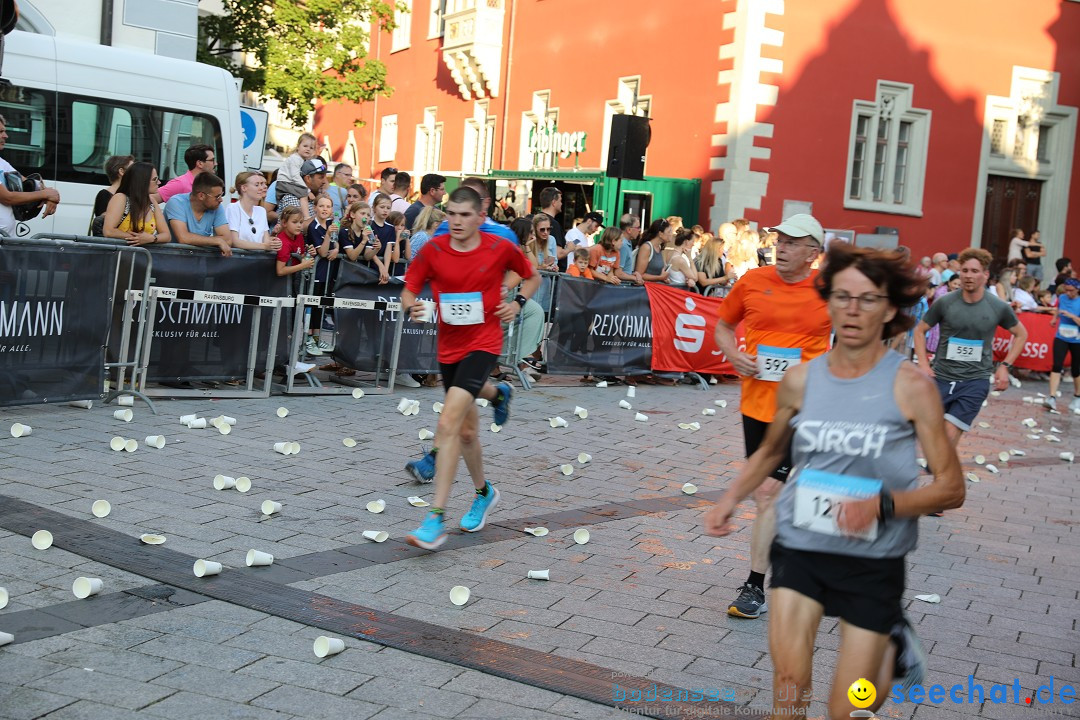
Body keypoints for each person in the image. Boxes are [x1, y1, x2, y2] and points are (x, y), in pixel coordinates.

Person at [704, 243, 964, 720]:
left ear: (889, 309)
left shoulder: (912, 388)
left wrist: (881, 506)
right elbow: (771, 450)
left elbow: (951, 488)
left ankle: (889, 647)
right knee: (788, 683)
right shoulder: (801, 380)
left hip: (872, 560)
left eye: (867, 299)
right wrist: (730, 498)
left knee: (852, 705)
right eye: (842, 296)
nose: (852, 309)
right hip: (801, 545)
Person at [401, 186, 539, 549]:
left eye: (465, 215)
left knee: (447, 423)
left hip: (484, 344)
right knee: (465, 434)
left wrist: (517, 303)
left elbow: (531, 275)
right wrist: (412, 305)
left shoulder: (499, 246)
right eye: (452, 214)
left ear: (481, 217)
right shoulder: (433, 248)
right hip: (449, 349)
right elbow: (409, 288)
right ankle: (484, 492)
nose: (458, 221)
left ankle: (434, 519)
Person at [714, 213, 833, 620]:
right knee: (771, 493)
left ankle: (763, 580)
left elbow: (863, 336)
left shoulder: (829, 290)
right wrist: (732, 355)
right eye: (780, 240)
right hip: (758, 405)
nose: (781, 247)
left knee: (777, 492)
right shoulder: (752, 281)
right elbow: (723, 326)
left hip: (808, 408)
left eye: (793, 242)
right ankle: (766, 580)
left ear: (813, 253)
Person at [913, 248, 1028, 447]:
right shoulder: (945, 302)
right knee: (929, 437)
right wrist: (923, 364)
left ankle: (941, 471)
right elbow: (919, 330)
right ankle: (945, 474)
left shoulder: (998, 306)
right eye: (965, 270)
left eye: (975, 271)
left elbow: (1021, 334)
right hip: (941, 377)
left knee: (947, 439)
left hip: (975, 381)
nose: (968, 276)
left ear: (985, 275)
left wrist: (1004, 366)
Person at [0, 114, 60, 236]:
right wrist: (46, 194)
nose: (5, 136)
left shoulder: (1, 162)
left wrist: (51, 195)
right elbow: (7, 197)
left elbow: (29, 183)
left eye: (4, 131)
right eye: (0, 132)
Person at [101, 161, 170, 246]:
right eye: (154, 179)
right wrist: (138, 239)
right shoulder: (120, 198)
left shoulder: (152, 202)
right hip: (119, 255)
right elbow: (109, 231)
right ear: (141, 181)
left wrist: (152, 238)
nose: (159, 182)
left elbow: (166, 235)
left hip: (142, 256)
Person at [164, 173, 232, 257]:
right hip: (170, 260)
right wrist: (218, 241)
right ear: (201, 196)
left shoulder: (216, 206)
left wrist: (216, 240)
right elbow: (183, 238)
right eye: (217, 196)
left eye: (221, 195)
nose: (221, 200)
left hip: (198, 262)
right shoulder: (176, 202)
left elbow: (228, 239)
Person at [1047, 278, 1080, 413]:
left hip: (1077, 339)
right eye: (1066, 290)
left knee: (1076, 369)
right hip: (1061, 336)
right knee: (1056, 365)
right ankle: (1052, 397)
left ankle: (1077, 396)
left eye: (1071, 291)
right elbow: (1058, 308)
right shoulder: (1062, 297)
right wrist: (1055, 318)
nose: (1068, 293)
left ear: (1077, 289)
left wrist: (1071, 316)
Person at [226, 171, 281, 252]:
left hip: (258, 260)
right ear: (244, 188)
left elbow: (265, 240)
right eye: (257, 185)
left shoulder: (261, 211)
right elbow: (234, 241)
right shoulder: (233, 208)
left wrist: (273, 242)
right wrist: (264, 246)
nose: (261, 188)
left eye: (261, 184)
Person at [275, 133, 320, 219]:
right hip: (285, 182)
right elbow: (295, 176)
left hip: (288, 182)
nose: (308, 149)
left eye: (311, 148)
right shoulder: (295, 159)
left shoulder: (302, 160)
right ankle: (306, 216)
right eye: (305, 146)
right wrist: (308, 191)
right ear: (298, 146)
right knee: (303, 194)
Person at [274, 206, 315, 278]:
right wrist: (303, 265)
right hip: (282, 283)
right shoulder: (282, 242)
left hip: (295, 278)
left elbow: (301, 256)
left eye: (301, 222)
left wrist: (309, 253)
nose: (299, 225)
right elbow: (280, 271)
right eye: (295, 222)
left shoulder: (299, 236)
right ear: (284, 223)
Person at [92, 155, 134, 219]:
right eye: (132, 169)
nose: (136, 172)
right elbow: (104, 223)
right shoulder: (104, 195)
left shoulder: (131, 193)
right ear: (121, 171)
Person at [538, 186, 570, 271]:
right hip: (550, 276)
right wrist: (570, 248)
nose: (562, 204)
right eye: (560, 201)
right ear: (554, 202)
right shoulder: (553, 225)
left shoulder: (535, 220)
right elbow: (558, 254)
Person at [634, 218, 672, 284]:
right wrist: (660, 278)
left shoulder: (659, 247)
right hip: (645, 290)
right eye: (669, 232)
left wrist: (664, 278)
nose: (671, 234)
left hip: (655, 289)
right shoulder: (646, 247)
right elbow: (639, 274)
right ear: (660, 234)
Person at [616, 213, 643, 284]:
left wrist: (634, 273)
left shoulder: (628, 242)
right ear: (629, 230)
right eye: (637, 227)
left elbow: (625, 269)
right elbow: (618, 273)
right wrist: (635, 278)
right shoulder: (623, 245)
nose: (639, 230)